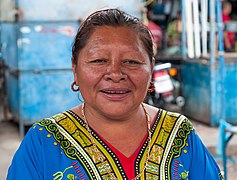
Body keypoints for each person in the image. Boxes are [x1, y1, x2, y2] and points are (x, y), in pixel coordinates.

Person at [7, 8, 223, 180]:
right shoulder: (43, 141)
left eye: (132, 62)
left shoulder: (180, 135)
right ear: (75, 68)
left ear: (151, 69)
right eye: (99, 61)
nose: (115, 74)